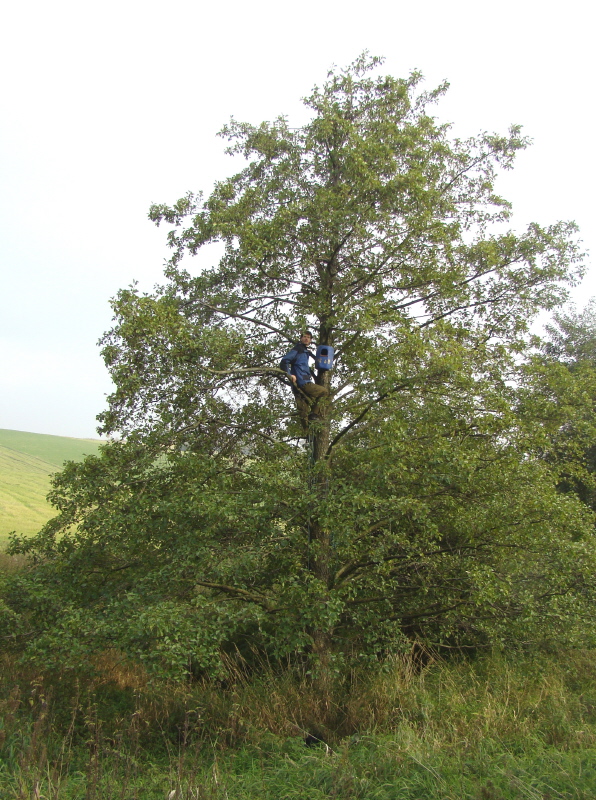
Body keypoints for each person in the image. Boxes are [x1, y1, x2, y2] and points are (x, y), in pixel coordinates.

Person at [280, 331, 329, 430]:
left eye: (309, 337)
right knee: (324, 392)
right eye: (304, 337)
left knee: (303, 412)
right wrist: (290, 375)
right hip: (303, 383)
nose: (306, 339)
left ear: (310, 340)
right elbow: (284, 361)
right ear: (301, 338)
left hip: (297, 387)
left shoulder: (305, 352)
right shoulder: (298, 349)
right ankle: (314, 414)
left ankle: (308, 432)